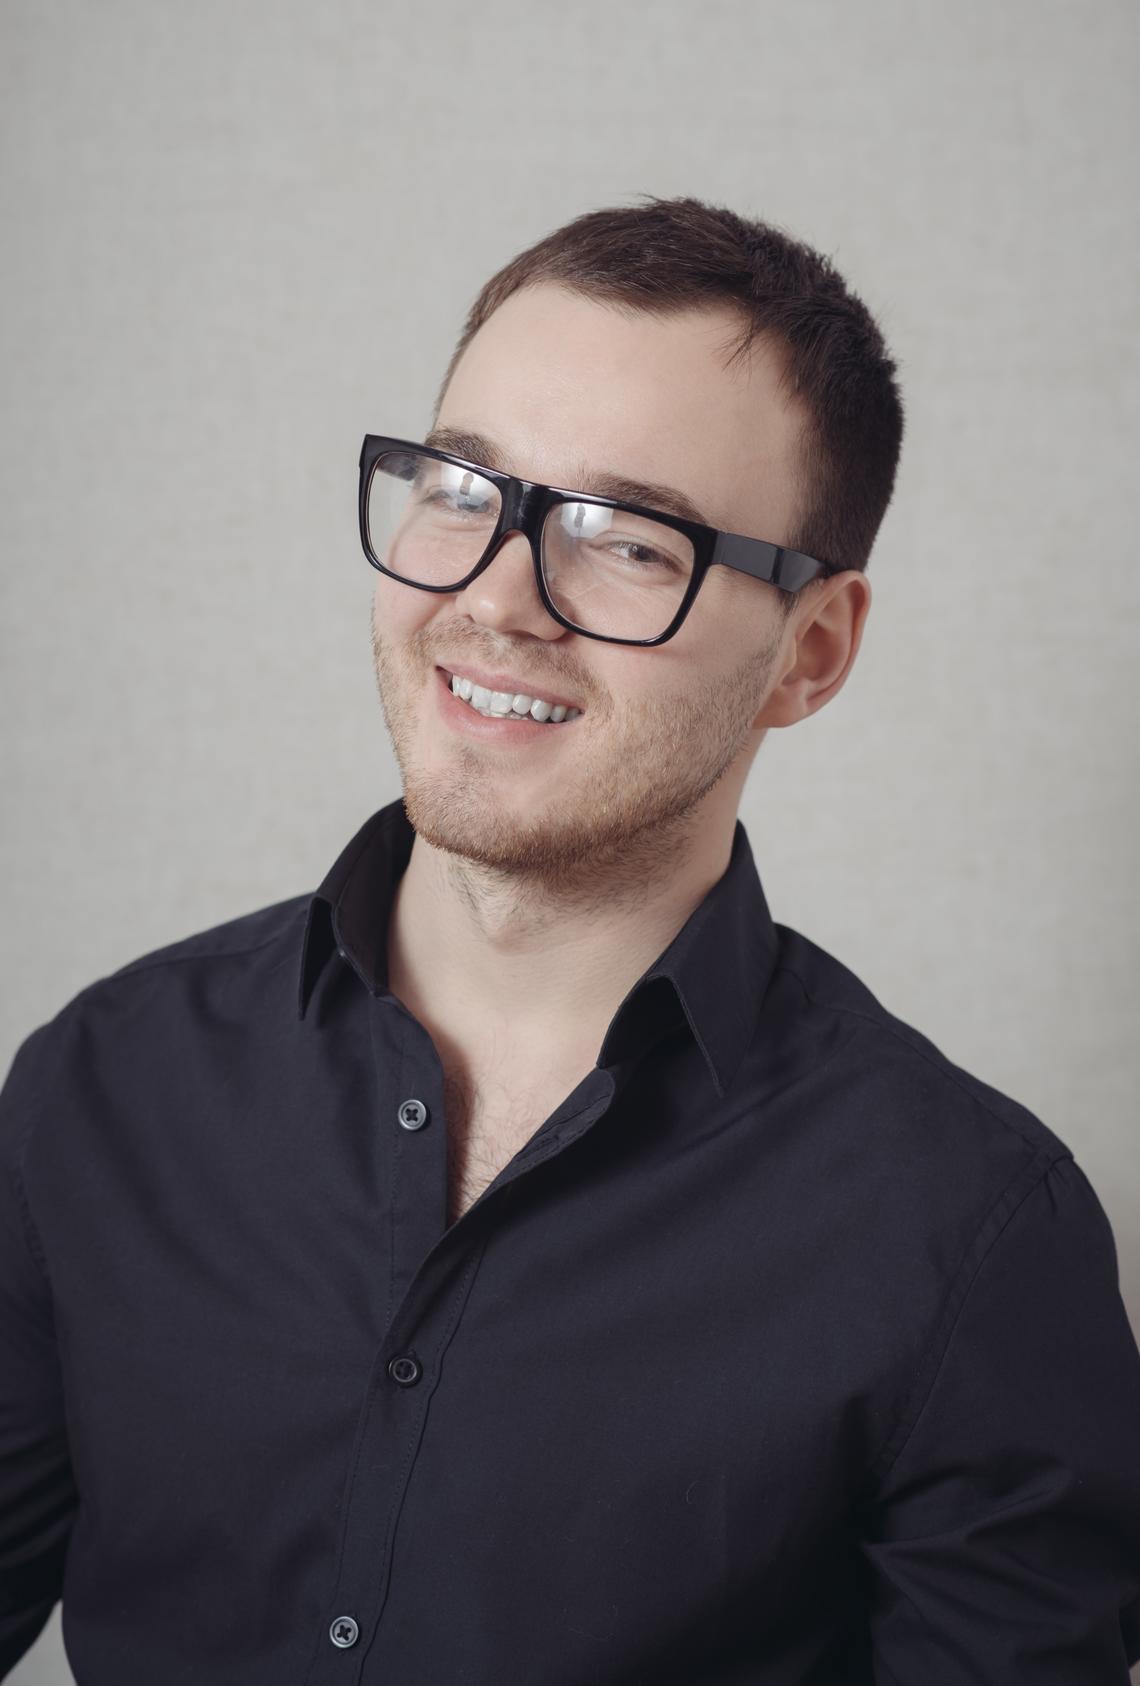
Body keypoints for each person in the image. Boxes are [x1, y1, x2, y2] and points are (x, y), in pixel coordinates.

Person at [2, 193, 1138, 1684]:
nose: (495, 596)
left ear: (812, 651)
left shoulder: (976, 1241)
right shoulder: (104, 1085)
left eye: (625, 540)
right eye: (464, 487)